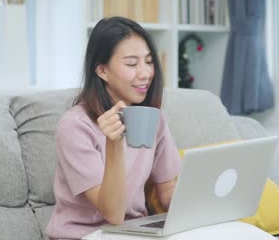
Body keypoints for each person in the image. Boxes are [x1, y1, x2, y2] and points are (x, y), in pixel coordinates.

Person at [45, 17, 182, 240]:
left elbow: (166, 192)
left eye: (148, 61)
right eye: (131, 64)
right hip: (84, 235)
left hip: (135, 233)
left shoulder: (153, 118)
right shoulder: (75, 126)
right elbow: (113, 213)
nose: (145, 73)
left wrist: (205, 204)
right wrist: (114, 143)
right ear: (102, 71)